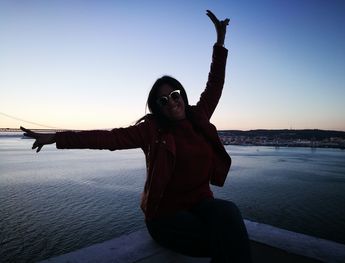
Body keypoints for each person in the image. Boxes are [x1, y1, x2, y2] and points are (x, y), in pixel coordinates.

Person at [21, 10, 252, 263]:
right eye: (163, 101)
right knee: (221, 240)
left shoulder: (199, 116)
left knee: (228, 213)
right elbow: (105, 139)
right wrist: (55, 138)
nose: (171, 103)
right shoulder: (152, 131)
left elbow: (215, 83)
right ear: (158, 107)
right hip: (166, 214)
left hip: (200, 204)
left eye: (174, 95)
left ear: (182, 95)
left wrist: (220, 40)